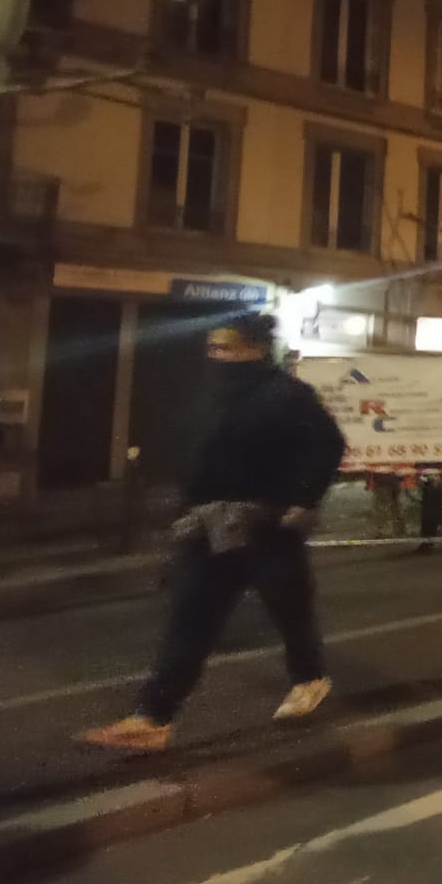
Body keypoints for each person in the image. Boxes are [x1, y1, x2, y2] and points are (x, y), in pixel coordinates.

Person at [84, 313, 347, 751]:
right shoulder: (208, 396)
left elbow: (328, 444)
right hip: (208, 526)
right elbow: (196, 453)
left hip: (265, 524)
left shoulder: (288, 395)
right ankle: (153, 718)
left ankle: (310, 677)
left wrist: (302, 500)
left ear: (254, 350)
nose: (215, 355)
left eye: (225, 347)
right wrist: (182, 502)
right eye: (212, 347)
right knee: (190, 619)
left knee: (290, 610)